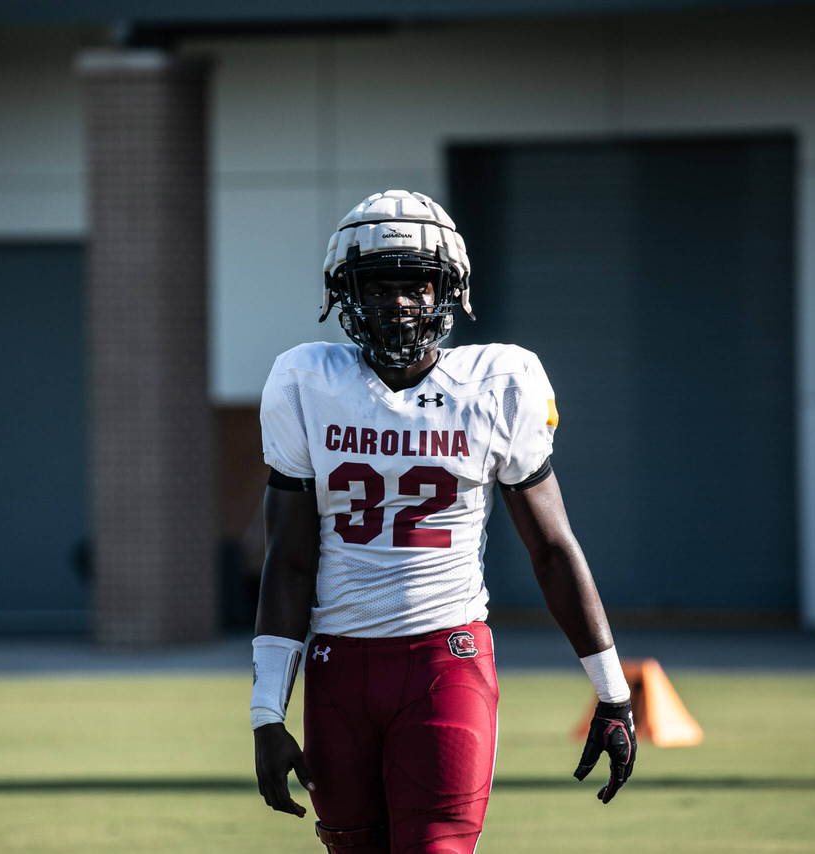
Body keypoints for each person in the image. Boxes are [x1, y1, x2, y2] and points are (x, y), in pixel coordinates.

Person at [250, 190, 636, 854]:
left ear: (448, 291)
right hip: (337, 667)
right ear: (346, 294)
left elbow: (552, 549)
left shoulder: (497, 385)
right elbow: (287, 560)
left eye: (416, 286)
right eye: (378, 287)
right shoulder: (305, 383)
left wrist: (613, 693)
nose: (399, 303)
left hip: (444, 660)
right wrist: (265, 714)